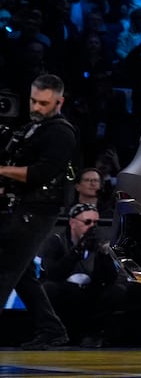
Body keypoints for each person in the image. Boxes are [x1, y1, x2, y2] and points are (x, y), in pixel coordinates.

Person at [0, 75, 77, 348]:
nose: (36, 107)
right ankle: (51, 329)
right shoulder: (32, 128)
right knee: (21, 273)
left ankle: (53, 330)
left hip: (38, 211)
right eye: (33, 100)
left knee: (6, 268)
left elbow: (40, 173)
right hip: (20, 207)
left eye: (44, 103)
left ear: (59, 101)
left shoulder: (61, 132)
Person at [39, 203, 126, 347]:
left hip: (89, 294)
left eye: (95, 223)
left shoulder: (98, 244)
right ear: (73, 223)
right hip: (65, 293)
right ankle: (57, 333)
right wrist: (76, 252)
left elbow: (110, 279)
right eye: (87, 222)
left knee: (117, 291)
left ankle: (93, 334)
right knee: (48, 288)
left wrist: (104, 255)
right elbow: (53, 274)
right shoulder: (57, 241)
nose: (92, 227)